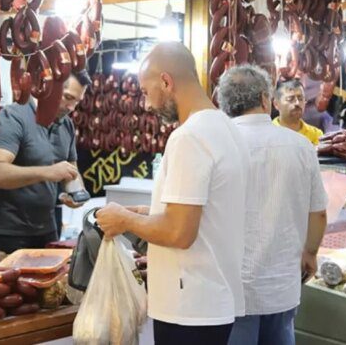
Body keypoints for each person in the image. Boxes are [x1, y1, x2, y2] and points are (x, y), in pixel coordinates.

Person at [96, 42, 249, 345]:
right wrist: (147, 213)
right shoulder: (227, 129)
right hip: (213, 299)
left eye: (145, 91)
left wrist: (124, 219)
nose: (147, 103)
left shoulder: (189, 137)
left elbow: (180, 232)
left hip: (189, 307)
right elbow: (202, 214)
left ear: (166, 81)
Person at [217, 66, 328, 345]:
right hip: (283, 286)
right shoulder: (302, 147)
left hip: (233, 290)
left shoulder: (216, 145)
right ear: (267, 101)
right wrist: (310, 253)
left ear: (224, 102)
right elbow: (318, 213)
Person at [0, 70, 91, 254]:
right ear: (50, 88)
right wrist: (47, 172)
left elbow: (71, 171)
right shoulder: (14, 116)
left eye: (76, 102)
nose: (71, 107)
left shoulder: (66, 125)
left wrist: (75, 192)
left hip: (47, 229)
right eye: (68, 97)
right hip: (8, 232)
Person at [273, 79, 323, 145]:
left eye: (301, 98)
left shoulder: (316, 135)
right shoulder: (268, 133)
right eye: (290, 99)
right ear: (276, 104)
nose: (297, 103)